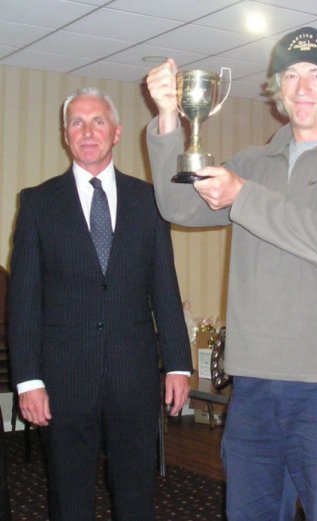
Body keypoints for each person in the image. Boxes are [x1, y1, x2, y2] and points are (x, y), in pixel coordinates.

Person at [146, 27, 317, 521]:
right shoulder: (252, 163)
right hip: (256, 384)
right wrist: (168, 118)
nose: (303, 87)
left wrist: (243, 196)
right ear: (276, 89)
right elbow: (180, 207)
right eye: (291, 75)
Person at [8, 87, 192, 521]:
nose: (87, 132)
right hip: (63, 378)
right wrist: (27, 380)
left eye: (97, 123)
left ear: (116, 133)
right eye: (77, 123)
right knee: (69, 498)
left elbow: (164, 286)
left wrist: (179, 365)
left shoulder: (150, 202)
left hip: (135, 376)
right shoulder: (37, 203)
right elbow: (24, 301)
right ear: (65, 134)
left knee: (136, 496)